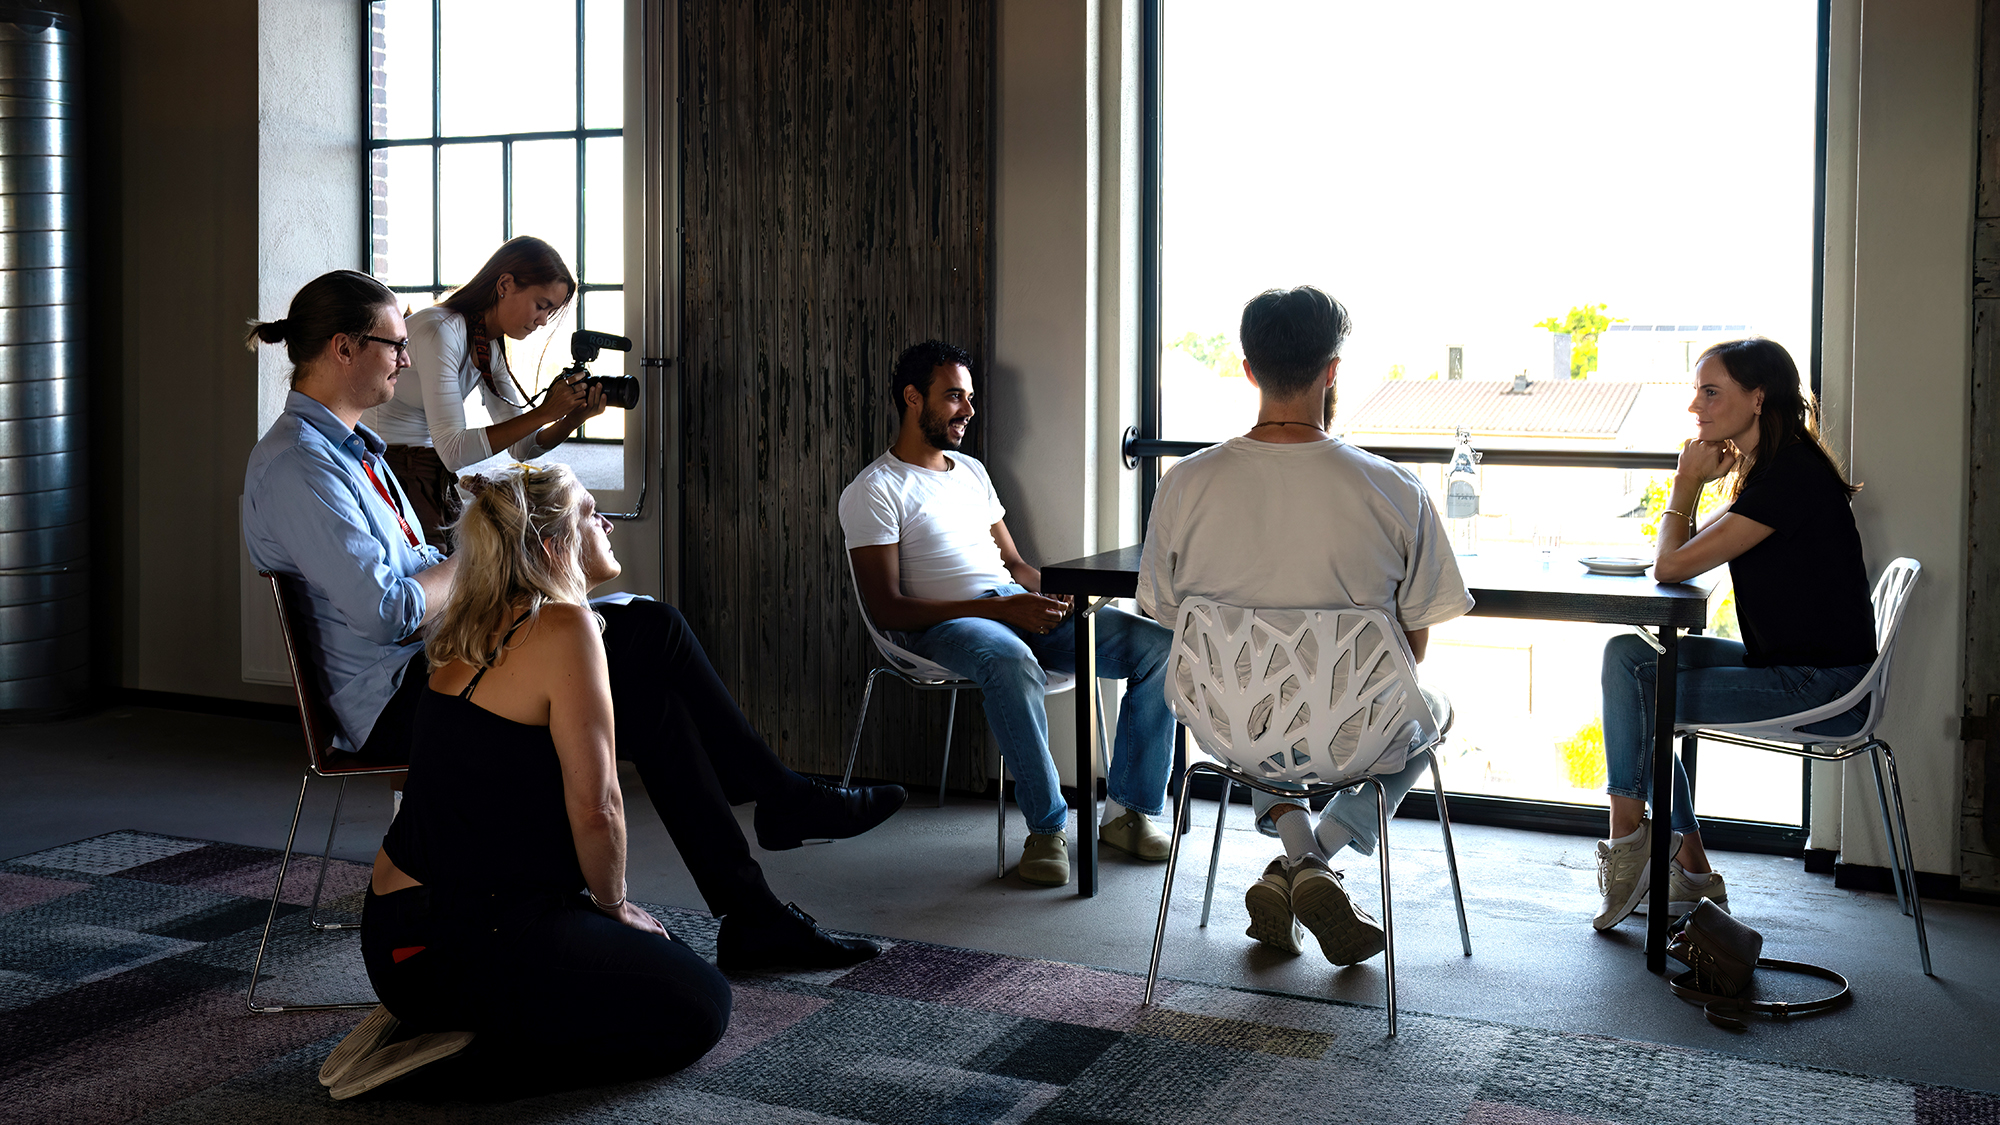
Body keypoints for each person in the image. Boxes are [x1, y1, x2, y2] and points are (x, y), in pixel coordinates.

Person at [242, 269, 905, 978]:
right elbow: (390, 610)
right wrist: (479, 553)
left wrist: (484, 558)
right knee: (655, 630)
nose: (404, 359)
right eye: (393, 345)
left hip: (441, 665)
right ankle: (780, 803)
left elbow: (419, 572)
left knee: (649, 685)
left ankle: (756, 911)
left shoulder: (352, 452)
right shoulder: (297, 465)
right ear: (344, 348)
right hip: (405, 700)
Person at [324, 463, 731, 1099]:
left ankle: (457, 1019)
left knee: (666, 961)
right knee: (701, 1007)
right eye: (592, 512)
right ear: (551, 546)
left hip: (404, 936)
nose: (606, 523)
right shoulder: (566, 627)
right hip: (449, 940)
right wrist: (613, 906)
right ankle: (449, 1061)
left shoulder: (474, 622)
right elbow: (599, 807)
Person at [1137, 286, 1472, 966]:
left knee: (1253, 691)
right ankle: (1323, 852)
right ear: (1333, 369)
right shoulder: (1394, 487)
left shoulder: (1184, 484)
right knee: (1432, 706)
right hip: (1355, 730)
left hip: (1231, 727)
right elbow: (1412, 648)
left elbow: (1174, 624)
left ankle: (1295, 853)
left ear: (1249, 369)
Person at [840, 340, 1178, 888]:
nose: (968, 411)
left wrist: (1059, 594)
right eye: (953, 397)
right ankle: (1047, 828)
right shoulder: (875, 490)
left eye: (969, 398)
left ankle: (1130, 814)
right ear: (911, 398)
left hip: (1011, 607)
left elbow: (1017, 566)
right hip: (940, 626)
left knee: (1159, 648)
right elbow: (887, 608)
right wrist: (1005, 611)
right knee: (1011, 659)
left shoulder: (971, 472)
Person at [1592, 337, 1875, 931]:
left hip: (1822, 687)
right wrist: (1695, 487)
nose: (1696, 405)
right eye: (1698, 390)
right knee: (1626, 657)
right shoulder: (1769, 469)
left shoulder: (1789, 477)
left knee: (1643, 693)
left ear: (1757, 398)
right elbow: (1681, 556)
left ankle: (1631, 849)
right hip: (1788, 663)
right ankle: (1686, 867)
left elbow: (1670, 566)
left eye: (1711, 391)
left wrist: (1686, 482)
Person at [365, 236, 606, 549]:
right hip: (391, 473)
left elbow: (522, 449)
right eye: (541, 305)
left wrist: (571, 418)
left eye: (550, 311)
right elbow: (453, 452)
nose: (543, 321)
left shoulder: (487, 344)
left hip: (427, 477)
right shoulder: (442, 331)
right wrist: (545, 411)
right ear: (504, 284)